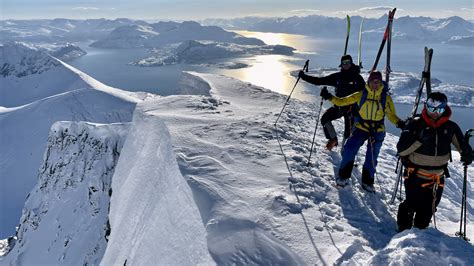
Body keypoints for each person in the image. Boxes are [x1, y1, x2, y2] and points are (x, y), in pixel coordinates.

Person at [396, 92, 473, 232]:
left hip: (437, 177)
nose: (435, 113)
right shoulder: (415, 124)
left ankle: (419, 231)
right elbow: (401, 150)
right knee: (411, 204)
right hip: (415, 175)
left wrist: (467, 153)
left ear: (445, 109)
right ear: (426, 106)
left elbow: (461, 145)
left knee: (429, 208)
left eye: (439, 109)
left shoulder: (450, 127)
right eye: (432, 109)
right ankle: (402, 231)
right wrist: (420, 139)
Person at [320, 70, 405, 191]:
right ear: (369, 82)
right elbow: (342, 101)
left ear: (381, 82)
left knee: (372, 156)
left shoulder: (386, 98)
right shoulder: (361, 94)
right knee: (349, 149)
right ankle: (343, 176)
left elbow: (391, 115)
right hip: (361, 128)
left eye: (378, 81)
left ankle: (368, 182)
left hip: (377, 130)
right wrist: (329, 97)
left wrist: (400, 123)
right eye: (373, 81)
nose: (375, 84)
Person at [299, 55, 365, 150]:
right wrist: (304, 77)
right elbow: (319, 81)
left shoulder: (357, 78)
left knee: (349, 135)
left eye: (348, 62)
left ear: (351, 63)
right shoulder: (338, 77)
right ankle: (333, 139)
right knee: (325, 119)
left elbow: (365, 93)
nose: (346, 64)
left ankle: (346, 157)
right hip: (339, 106)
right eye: (344, 63)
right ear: (341, 64)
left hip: (352, 109)